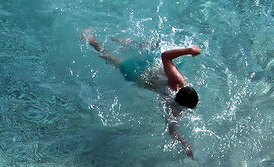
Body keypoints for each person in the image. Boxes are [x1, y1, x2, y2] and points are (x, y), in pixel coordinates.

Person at [84, 30, 201, 158]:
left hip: (145, 70)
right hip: (139, 76)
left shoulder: (177, 82)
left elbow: (166, 56)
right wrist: (186, 147)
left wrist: (190, 51)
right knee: (111, 58)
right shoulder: (173, 108)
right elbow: (172, 131)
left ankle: (96, 40)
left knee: (153, 47)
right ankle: (98, 41)